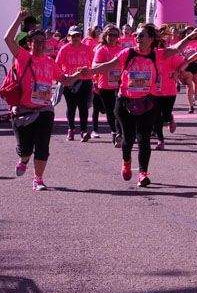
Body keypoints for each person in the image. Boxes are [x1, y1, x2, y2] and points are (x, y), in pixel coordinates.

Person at [94, 24, 172, 187]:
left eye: (142, 35)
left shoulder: (156, 55)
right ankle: (126, 161)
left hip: (147, 103)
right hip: (125, 103)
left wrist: (189, 37)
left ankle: (143, 173)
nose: (137, 38)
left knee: (144, 139)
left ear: (151, 39)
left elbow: (176, 50)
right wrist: (91, 70)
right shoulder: (128, 53)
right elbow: (110, 65)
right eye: (136, 35)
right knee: (128, 139)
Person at [6, 12, 61, 191]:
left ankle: (38, 179)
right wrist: (19, 19)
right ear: (29, 44)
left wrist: (78, 75)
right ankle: (23, 159)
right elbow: (8, 39)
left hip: (44, 110)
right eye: (36, 42)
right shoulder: (23, 57)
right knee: (26, 149)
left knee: (43, 146)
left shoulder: (49, 62)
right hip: (23, 110)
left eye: (42, 42)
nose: (39, 45)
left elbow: (64, 78)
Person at [56, 26, 94, 142]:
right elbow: (57, 65)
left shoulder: (87, 49)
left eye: (78, 35)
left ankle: (83, 131)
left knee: (83, 106)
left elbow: (94, 64)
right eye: (73, 36)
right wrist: (62, 78)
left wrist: (94, 77)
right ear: (68, 37)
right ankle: (71, 129)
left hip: (85, 81)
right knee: (71, 106)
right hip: (70, 81)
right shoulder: (64, 49)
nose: (76, 38)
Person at [91, 25, 125, 145]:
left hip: (119, 85)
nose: (112, 37)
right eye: (110, 34)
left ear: (118, 37)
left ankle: (119, 133)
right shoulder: (101, 49)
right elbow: (94, 67)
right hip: (104, 85)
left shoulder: (121, 49)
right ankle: (114, 132)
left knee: (119, 110)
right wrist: (108, 66)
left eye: (115, 35)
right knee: (110, 111)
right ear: (105, 36)